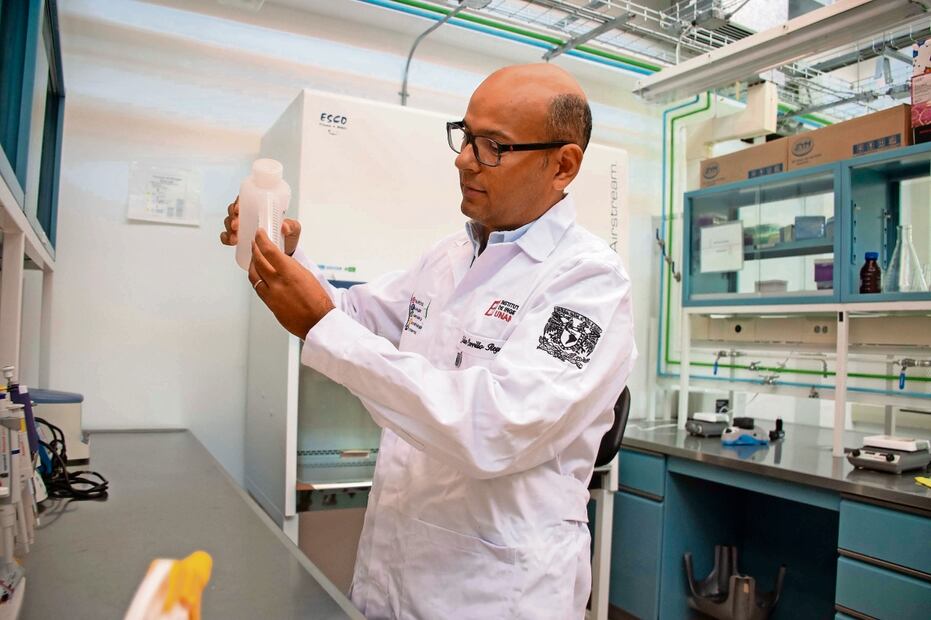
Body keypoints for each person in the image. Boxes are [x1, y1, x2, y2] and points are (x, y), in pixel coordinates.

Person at [221, 63, 636, 619]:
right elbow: (353, 315)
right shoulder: (450, 256)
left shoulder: (589, 283)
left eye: (493, 146)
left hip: (493, 594)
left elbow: (494, 427)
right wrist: (285, 258)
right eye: (466, 135)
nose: (464, 159)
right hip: (395, 570)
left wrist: (322, 325)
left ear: (562, 165)